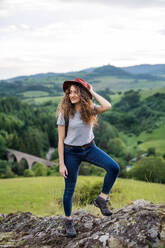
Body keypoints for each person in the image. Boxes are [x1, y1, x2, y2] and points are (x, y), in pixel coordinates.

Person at [56, 78, 120, 237]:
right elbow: (60, 141)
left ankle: (102, 199)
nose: (71, 95)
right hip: (71, 152)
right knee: (69, 189)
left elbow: (107, 106)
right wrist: (62, 163)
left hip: (90, 148)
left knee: (114, 168)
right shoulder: (64, 113)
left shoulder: (90, 109)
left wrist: (91, 91)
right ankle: (69, 221)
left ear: (82, 93)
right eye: (70, 92)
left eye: (75, 92)